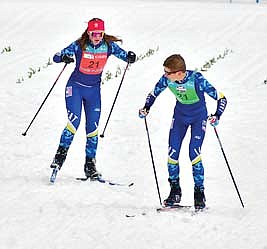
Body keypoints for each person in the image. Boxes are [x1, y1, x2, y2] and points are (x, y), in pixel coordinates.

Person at [50, 18, 136, 181]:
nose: (97, 36)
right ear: (88, 33)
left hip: (94, 92)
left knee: (93, 128)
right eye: (93, 33)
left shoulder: (109, 46)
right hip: (75, 87)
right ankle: (59, 158)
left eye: (100, 33)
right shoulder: (79, 45)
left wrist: (131, 57)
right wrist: (64, 58)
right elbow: (56, 57)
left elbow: (126, 56)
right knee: (74, 122)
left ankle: (90, 166)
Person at [139, 54, 227, 209]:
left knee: (194, 152)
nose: (165, 75)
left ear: (179, 73)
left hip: (198, 118)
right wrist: (146, 108)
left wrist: (217, 115)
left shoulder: (197, 79)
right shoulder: (167, 80)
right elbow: (153, 93)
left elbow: (222, 98)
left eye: (168, 72)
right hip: (180, 118)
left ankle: (199, 193)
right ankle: (175, 191)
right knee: (172, 153)